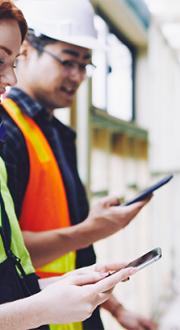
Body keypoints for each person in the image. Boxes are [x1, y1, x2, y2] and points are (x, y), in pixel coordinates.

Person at [1, 0, 156, 329]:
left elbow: (78, 247)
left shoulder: (57, 134)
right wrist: (92, 229)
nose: (77, 76)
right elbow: (14, 251)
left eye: (86, 65)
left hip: (72, 312)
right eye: (68, 61)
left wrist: (116, 308)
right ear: (27, 50)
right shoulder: (7, 134)